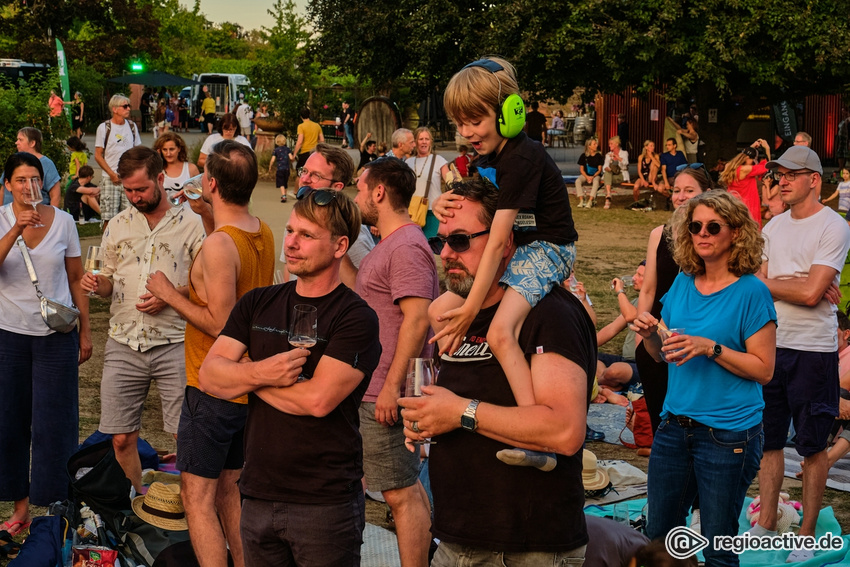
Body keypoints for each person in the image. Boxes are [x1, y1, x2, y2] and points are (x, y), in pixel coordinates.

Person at [399, 178, 594, 566]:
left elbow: (565, 431)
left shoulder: (549, 314)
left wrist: (460, 412)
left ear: (504, 243)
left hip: (526, 548)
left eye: (460, 241)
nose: (446, 254)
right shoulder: (461, 312)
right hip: (457, 539)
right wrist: (432, 418)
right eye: (441, 242)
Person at [198, 188, 381, 566]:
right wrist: (266, 372)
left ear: (340, 245)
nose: (291, 243)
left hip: (323, 503)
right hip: (257, 493)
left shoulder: (355, 317)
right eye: (291, 231)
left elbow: (317, 401)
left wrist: (245, 375)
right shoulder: (258, 302)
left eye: (307, 235)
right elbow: (211, 376)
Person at [431, 57, 578, 472]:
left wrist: (472, 311)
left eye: (474, 120)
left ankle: (537, 438)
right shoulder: (492, 156)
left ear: (510, 112)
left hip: (548, 248)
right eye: (459, 123)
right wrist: (441, 199)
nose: (466, 133)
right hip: (523, 246)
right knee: (438, 309)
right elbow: (460, 188)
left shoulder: (522, 158)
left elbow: (496, 243)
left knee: (498, 331)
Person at [145, 140, 274, 567]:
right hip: (245, 387)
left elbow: (221, 322)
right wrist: (207, 217)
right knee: (229, 490)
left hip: (212, 386)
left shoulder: (220, 245)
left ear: (212, 183)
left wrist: (167, 293)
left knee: (195, 496)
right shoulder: (260, 229)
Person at [631, 191, 776, 567]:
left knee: (718, 546)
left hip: (728, 435)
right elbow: (661, 355)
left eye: (713, 226)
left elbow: (764, 369)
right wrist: (650, 335)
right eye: (695, 226)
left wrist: (711, 347)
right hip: (674, 426)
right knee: (658, 540)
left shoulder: (752, 292)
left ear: (737, 232)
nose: (702, 234)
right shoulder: (682, 281)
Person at [81, 146, 206, 493]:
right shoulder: (118, 224)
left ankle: (188, 511)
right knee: (120, 438)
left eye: (142, 189)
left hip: (176, 341)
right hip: (123, 341)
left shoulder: (192, 224)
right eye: (129, 191)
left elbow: (208, 284)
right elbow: (107, 281)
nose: (135, 197)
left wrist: (171, 295)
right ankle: (135, 506)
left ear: (161, 179)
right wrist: (97, 283)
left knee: (186, 436)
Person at [751, 146, 850, 563]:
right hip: (772, 345)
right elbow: (758, 283)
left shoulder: (834, 225)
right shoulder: (773, 225)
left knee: (811, 446)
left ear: (815, 180)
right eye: (779, 174)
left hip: (813, 350)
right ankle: (767, 519)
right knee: (769, 440)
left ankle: (807, 532)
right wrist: (796, 282)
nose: (782, 180)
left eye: (793, 174)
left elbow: (812, 294)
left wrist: (785, 283)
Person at [0, 152, 91, 536]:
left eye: (34, 178)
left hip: (56, 338)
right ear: (7, 185)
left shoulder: (65, 222)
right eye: (20, 179)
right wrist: (16, 230)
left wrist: (85, 331)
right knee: (10, 422)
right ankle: (19, 506)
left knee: (57, 425)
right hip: (9, 336)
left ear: (44, 181)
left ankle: (54, 511)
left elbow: (75, 278)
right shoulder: (2, 220)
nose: (27, 186)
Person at [354, 158, 438, 566]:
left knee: (398, 493)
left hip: (385, 391)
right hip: (377, 386)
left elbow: (418, 318)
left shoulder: (405, 246)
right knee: (403, 485)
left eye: (359, 188)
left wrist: (391, 386)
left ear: (379, 192)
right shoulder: (391, 243)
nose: (357, 197)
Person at [635, 166, 710, 434]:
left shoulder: (709, 238)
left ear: (707, 194)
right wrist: (640, 335)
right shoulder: (660, 234)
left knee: (690, 421)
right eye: (677, 190)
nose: (680, 196)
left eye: (689, 191)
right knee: (661, 421)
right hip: (656, 337)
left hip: (693, 337)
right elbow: (648, 289)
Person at [596, 261, 645, 392]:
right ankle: (610, 385)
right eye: (635, 273)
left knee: (615, 371)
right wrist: (585, 347)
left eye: (640, 275)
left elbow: (631, 316)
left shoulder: (658, 302)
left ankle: (598, 386)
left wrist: (620, 292)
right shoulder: (635, 302)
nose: (634, 278)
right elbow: (612, 328)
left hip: (642, 365)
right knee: (590, 358)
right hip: (625, 360)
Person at [95, 94, 142, 222]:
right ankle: (107, 242)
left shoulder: (132, 127)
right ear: (115, 109)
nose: (128, 109)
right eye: (125, 106)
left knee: (130, 216)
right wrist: (111, 174)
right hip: (110, 178)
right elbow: (98, 155)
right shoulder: (105, 128)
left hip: (129, 178)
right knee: (108, 218)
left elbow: (137, 151)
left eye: (129, 106)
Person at [405, 127, 449, 238]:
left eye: (427, 139)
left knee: (431, 247)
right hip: (412, 211)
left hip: (432, 212)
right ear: (415, 142)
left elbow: (451, 181)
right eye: (421, 139)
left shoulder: (438, 160)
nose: (424, 142)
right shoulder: (408, 162)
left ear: (431, 142)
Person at [1, 128, 62, 207]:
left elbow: (55, 196)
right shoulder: (14, 161)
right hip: (8, 216)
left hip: (35, 215)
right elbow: (3, 189)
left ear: (32, 143)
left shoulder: (47, 164)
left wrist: (53, 217)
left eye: (20, 140)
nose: (16, 143)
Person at [719, 139, 771, 227]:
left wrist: (751, 147)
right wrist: (767, 149)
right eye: (753, 159)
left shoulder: (729, 166)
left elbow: (745, 154)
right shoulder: (746, 169)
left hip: (733, 203)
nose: (753, 162)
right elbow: (766, 166)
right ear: (747, 158)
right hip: (748, 205)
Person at [154, 131, 201, 198]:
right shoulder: (157, 169)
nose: (168, 153)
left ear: (179, 149)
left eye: (172, 149)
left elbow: (200, 196)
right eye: (164, 150)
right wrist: (157, 159)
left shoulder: (191, 169)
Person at [602, 135, 630, 209]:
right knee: (607, 173)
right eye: (609, 144)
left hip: (621, 174)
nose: (609, 145)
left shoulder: (624, 153)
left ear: (616, 144)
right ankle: (608, 195)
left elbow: (626, 163)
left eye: (611, 144)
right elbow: (605, 166)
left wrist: (617, 158)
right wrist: (606, 168)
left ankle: (607, 199)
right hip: (611, 174)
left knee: (607, 179)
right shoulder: (608, 155)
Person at [576, 137, 604, 208]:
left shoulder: (599, 156)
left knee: (596, 182)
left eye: (596, 144)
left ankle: (590, 201)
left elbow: (599, 170)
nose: (596, 145)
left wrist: (593, 177)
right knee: (578, 181)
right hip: (586, 174)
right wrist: (587, 177)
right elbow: (581, 169)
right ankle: (581, 200)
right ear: (589, 146)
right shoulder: (583, 156)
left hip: (596, 175)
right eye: (594, 144)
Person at [269, 134, 293, 203]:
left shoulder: (276, 150)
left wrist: (270, 166)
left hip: (280, 169)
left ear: (277, 142)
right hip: (287, 169)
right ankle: (284, 194)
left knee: (281, 182)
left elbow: (273, 159)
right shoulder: (287, 149)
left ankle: (283, 195)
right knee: (285, 182)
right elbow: (291, 158)